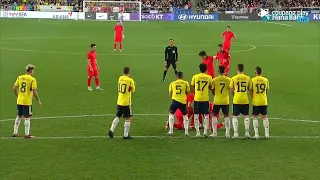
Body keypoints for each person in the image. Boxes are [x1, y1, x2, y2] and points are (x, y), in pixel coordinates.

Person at [12, 64, 41, 138]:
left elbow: (14, 88)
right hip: (27, 101)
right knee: (27, 117)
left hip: (19, 100)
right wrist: (38, 100)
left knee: (19, 116)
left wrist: (18, 96)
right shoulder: (32, 79)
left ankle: (15, 132)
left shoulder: (20, 77)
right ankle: (27, 134)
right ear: (31, 71)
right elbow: (34, 91)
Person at [108, 67, 135, 139]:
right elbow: (133, 90)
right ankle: (125, 135)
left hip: (119, 101)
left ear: (123, 72)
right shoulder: (130, 80)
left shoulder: (120, 78)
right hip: (126, 102)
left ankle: (111, 129)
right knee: (128, 118)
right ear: (129, 72)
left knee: (118, 116)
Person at [229, 64, 251, 139]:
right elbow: (249, 88)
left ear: (237, 69)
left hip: (237, 99)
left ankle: (236, 133)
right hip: (245, 100)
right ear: (243, 70)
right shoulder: (247, 78)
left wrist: (234, 95)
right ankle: (247, 133)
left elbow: (231, 89)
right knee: (246, 116)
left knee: (235, 116)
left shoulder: (234, 78)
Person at [191, 63, 212, 137]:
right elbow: (210, 87)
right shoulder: (209, 77)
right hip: (205, 99)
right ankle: (205, 131)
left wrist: (195, 93)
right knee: (206, 115)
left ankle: (198, 133)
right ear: (206, 69)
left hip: (197, 98)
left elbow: (192, 87)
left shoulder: (195, 77)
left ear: (199, 69)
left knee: (196, 115)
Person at [167, 71, 190, 136]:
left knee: (171, 114)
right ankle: (186, 132)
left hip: (175, 101)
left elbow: (170, 94)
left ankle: (171, 131)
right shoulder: (186, 83)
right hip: (182, 101)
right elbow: (188, 93)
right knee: (185, 115)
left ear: (177, 76)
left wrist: (174, 97)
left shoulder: (172, 83)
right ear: (182, 76)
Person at [249, 67, 270, 139]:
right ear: (261, 72)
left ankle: (256, 134)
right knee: (265, 117)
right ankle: (267, 134)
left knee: (255, 117)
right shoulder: (266, 80)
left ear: (256, 72)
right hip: (264, 100)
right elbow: (266, 91)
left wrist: (253, 98)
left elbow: (251, 91)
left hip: (256, 101)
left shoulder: (252, 80)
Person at [211, 66, 231, 138]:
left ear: (218, 71)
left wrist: (215, 94)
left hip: (217, 100)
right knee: (226, 115)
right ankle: (227, 133)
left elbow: (212, 90)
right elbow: (230, 88)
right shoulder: (228, 79)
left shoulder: (214, 80)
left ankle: (214, 133)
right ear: (225, 71)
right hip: (225, 100)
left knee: (214, 115)